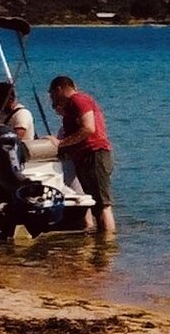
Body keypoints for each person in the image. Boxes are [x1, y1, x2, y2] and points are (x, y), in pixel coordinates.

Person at [47, 73, 117, 238]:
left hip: (94, 153)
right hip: (86, 156)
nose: (51, 98)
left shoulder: (79, 100)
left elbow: (88, 128)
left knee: (102, 204)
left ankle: (107, 243)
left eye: (51, 94)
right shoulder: (70, 107)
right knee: (95, 203)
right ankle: (101, 239)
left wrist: (60, 144)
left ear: (59, 89)